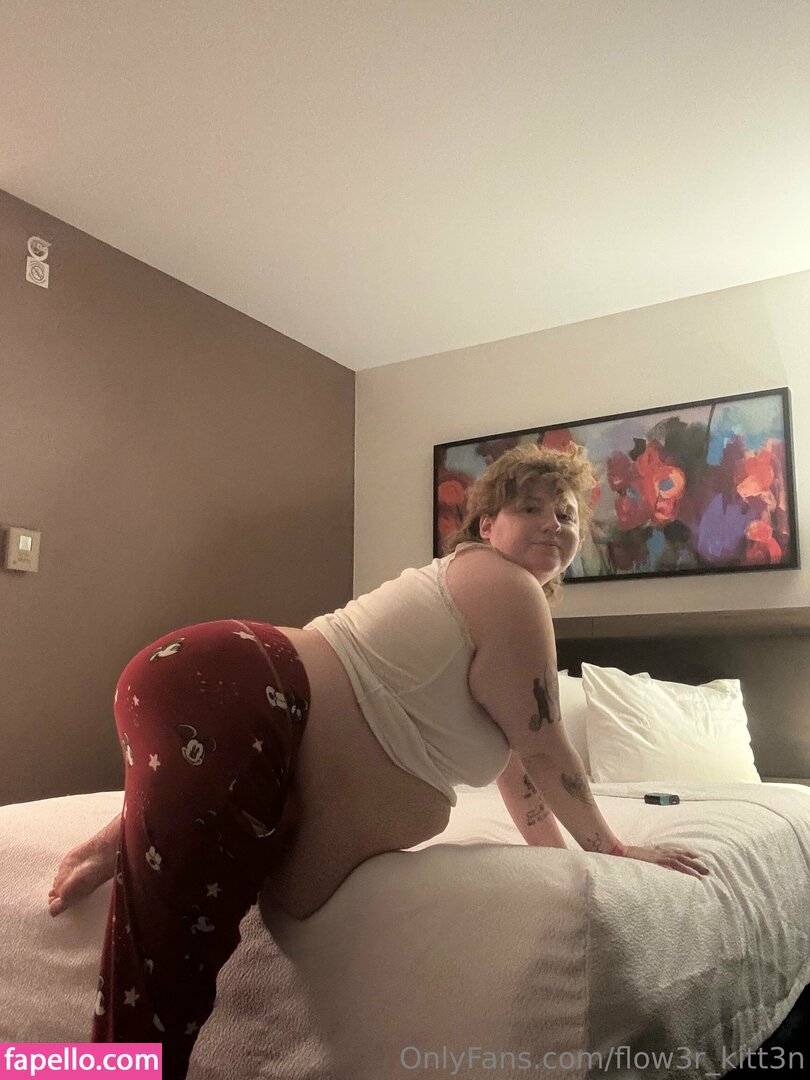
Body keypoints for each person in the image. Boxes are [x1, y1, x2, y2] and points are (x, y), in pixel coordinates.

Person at [48, 443, 709, 1079]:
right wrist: (613, 849)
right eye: (531, 507)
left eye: (565, 514)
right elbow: (545, 743)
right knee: (162, 985)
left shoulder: (484, 608)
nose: (553, 524)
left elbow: (522, 770)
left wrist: (562, 863)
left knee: (171, 960)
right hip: (248, 696)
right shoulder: (505, 584)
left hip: (236, 705)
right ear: (486, 525)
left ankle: (138, 828)